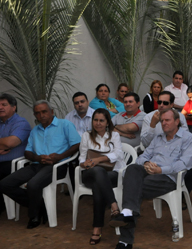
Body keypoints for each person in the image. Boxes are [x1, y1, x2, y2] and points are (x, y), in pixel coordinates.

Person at [109, 109, 192, 249]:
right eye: (162, 121)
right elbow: (143, 156)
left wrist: (160, 170)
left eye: (167, 120)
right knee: (132, 169)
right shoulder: (158, 138)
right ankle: (128, 214)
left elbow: (184, 164)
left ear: (177, 121)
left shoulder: (187, 138)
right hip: (149, 172)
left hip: (168, 178)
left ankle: (125, 239)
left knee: (132, 187)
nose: (163, 123)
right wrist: (146, 164)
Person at [0, 100, 81, 229]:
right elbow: (27, 152)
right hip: (36, 165)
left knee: (33, 184)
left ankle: (34, 215)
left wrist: (60, 157)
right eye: (37, 113)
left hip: (56, 166)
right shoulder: (35, 131)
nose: (41, 115)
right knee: (5, 184)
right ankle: (40, 205)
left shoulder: (64, 125)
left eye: (44, 111)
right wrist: (37, 157)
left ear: (52, 112)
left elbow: (77, 144)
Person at [140, 91, 192, 195]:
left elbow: (185, 137)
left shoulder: (179, 116)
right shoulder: (149, 117)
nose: (161, 105)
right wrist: (152, 125)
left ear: (171, 105)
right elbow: (145, 143)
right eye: (159, 102)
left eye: (165, 103)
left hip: (177, 151)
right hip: (155, 153)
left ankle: (182, 194)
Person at [79, 108, 126, 245]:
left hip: (112, 174)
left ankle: (97, 228)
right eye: (95, 120)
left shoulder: (114, 136)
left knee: (98, 183)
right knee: (99, 172)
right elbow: (81, 158)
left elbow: (119, 155)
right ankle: (114, 206)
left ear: (107, 122)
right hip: (90, 173)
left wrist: (98, 160)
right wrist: (85, 163)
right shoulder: (86, 136)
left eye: (101, 120)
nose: (98, 123)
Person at [0, 93, 31, 213]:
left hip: (15, 164)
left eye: (4, 104)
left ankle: (35, 204)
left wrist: (5, 144)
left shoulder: (21, 123)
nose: (0, 107)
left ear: (14, 107)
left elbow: (10, 143)